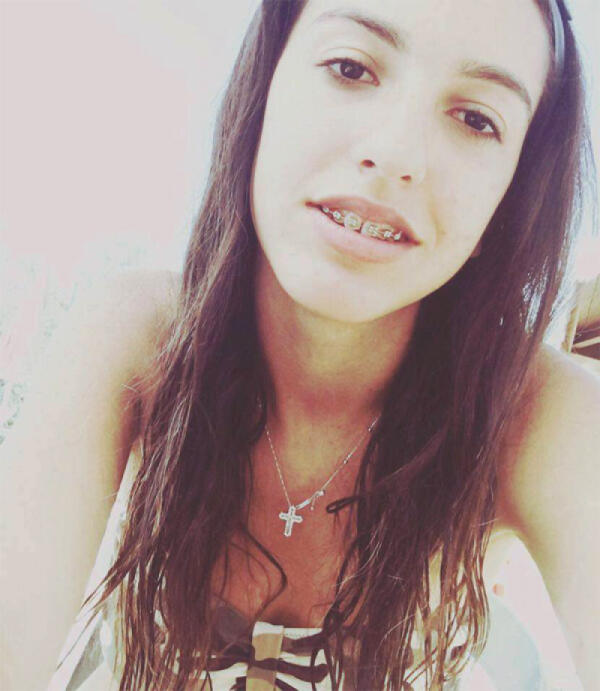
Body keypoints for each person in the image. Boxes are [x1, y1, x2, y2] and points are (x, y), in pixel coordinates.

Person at [1, 0, 598, 688]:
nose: (396, 153)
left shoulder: (536, 414)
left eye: (476, 118)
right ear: (266, 86)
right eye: (351, 67)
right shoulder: (142, 339)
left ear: (512, 193)